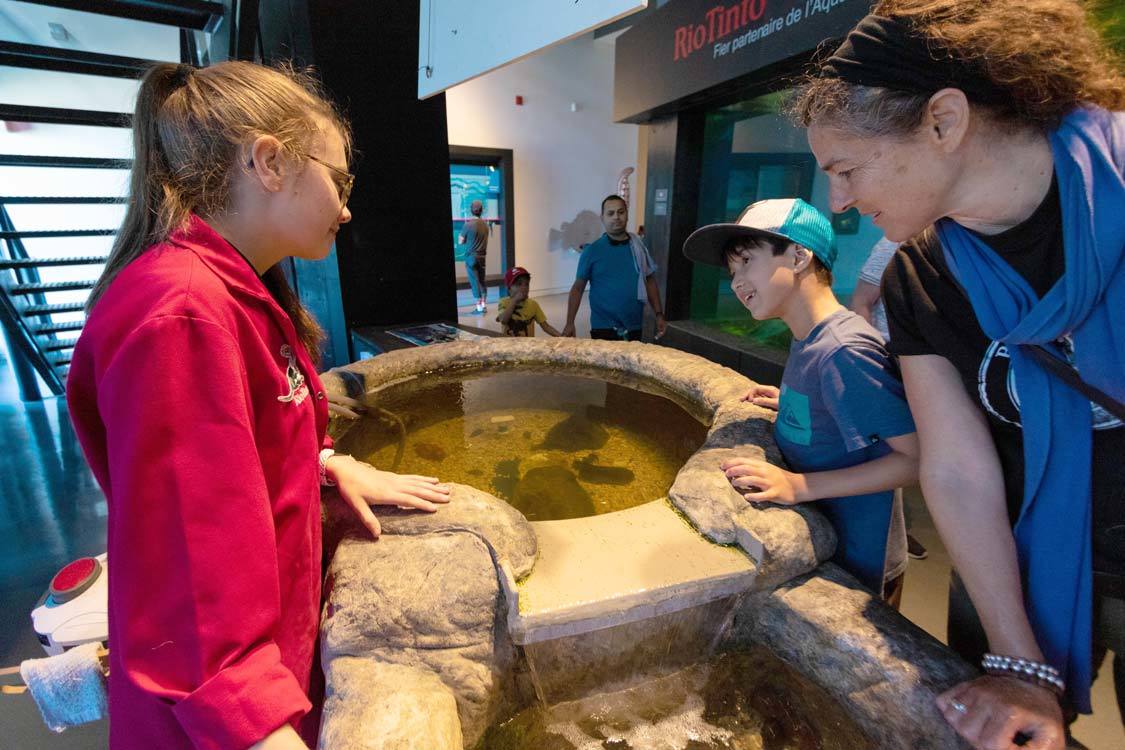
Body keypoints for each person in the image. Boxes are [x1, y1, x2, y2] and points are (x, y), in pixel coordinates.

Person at [66, 61, 451, 750]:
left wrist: (319, 464)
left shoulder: (230, 287)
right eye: (340, 179)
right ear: (269, 162)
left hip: (279, 662)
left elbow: (237, 452)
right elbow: (192, 614)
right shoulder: (182, 313)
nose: (346, 205)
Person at [792, 1, 1125, 747]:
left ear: (944, 122)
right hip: (1016, 559)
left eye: (845, 170)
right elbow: (955, 465)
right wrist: (1016, 664)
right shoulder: (922, 275)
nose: (839, 202)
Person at [683, 198, 916, 603]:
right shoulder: (809, 336)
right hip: (832, 540)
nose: (736, 282)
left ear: (798, 255)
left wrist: (799, 485)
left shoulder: (844, 350)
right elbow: (839, 411)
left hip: (863, 558)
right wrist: (792, 399)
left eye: (747, 262)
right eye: (732, 271)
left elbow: (916, 460)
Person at [850, 236, 929, 561]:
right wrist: (873, 363)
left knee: (912, 450)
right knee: (890, 449)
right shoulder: (892, 241)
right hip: (890, 361)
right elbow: (861, 301)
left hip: (927, 366)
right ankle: (892, 541)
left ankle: (896, 537)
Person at [562, 194, 666, 341]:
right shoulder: (592, 251)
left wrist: (658, 314)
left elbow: (649, 281)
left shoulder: (639, 248)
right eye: (610, 213)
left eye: (621, 212)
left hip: (634, 326)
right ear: (602, 217)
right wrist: (570, 322)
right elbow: (578, 288)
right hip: (603, 328)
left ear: (627, 215)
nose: (616, 217)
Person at [496, 266, 561, 337]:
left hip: (528, 346)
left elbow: (546, 327)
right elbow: (503, 320)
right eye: (519, 284)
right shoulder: (504, 302)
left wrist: (562, 337)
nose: (524, 288)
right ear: (509, 289)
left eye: (527, 284)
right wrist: (514, 301)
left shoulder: (533, 304)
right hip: (508, 346)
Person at [458, 198, 490, 314]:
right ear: (481, 211)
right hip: (482, 257)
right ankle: (484, 305)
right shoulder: (486, 225)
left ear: (471, 210)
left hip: (471, 257)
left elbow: (460, 241)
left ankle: (479, 308)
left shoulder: (468, 224)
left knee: (474, 281)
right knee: (482, 281)